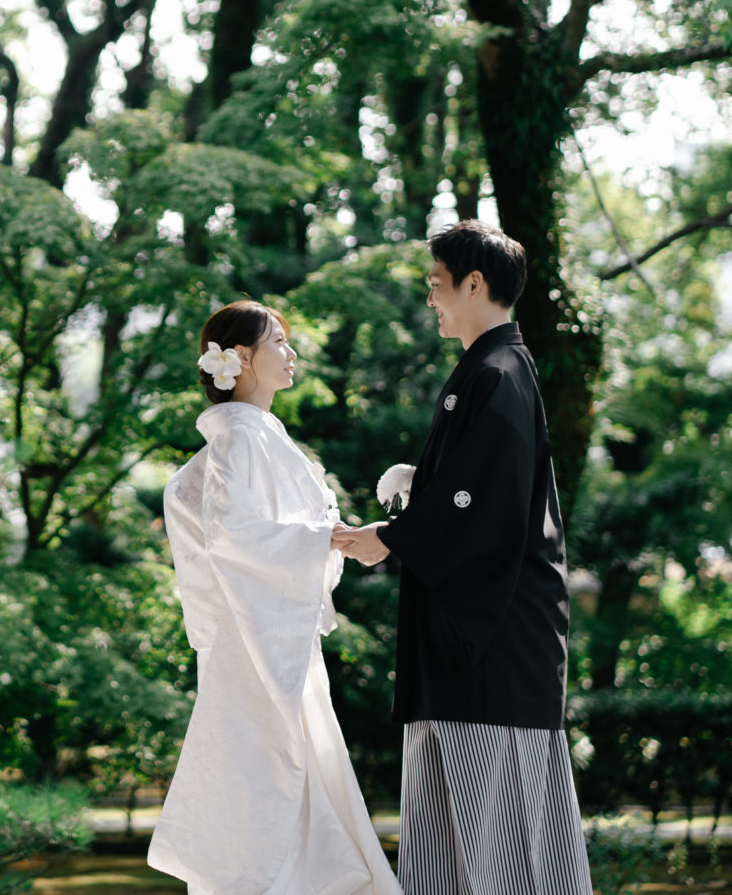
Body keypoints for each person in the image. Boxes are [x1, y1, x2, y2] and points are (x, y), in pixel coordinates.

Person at [334, 221, 592, 895]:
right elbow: (471, 489)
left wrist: (392, 536)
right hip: (477, 644)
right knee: (455, 837)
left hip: (492, 648)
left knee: (493, 838)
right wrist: (418, 494)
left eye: (437, 284)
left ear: (474, 284)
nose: (431, 300)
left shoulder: (498, 372)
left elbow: (479, 501)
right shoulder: (491, 369)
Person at [149, 301, 402, 895]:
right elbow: (233, 535)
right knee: (277, 772)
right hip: (258, 641)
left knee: (286, 770)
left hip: (269, 631)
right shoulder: (240, 437)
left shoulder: (252, 435)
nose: (291, 354)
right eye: (279, 342)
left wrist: (322, 540)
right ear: (242, 357)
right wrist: (325, 539)